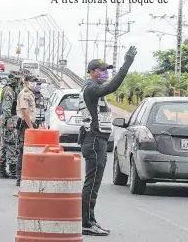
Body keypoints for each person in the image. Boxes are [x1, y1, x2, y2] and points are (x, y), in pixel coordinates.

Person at [78, 46, 137, 236]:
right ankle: (86, 222)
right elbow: (112, 86)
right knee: (92, 182)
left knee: (94, 183)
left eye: (107, 70)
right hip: (94, 140)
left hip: (97, 139)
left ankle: (90, 220)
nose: (105, 73)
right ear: (92, 72)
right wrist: (127, 64)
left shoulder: (95, 91)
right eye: (102, 70)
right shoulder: (92, 89)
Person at [0, 71, 22, 179]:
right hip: (10, 119)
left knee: (4, 145)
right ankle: (12, 170)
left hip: (7, 119)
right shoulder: (9, 91)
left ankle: (2, 170)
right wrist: (9, 122)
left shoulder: (10, 89)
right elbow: (7, 109)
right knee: (11, 144)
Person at [15, 74, 38, 186]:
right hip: (25, 124)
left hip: (29, 123)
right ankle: (20, 178)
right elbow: (24, 111)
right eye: (32, 81)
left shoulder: (31, 94)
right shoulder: (24, 94)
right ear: (26, 82)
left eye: (35, 82)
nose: (34, 84)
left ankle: (25, 176)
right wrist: (31, 127)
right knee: (23, 150)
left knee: (28, 150)